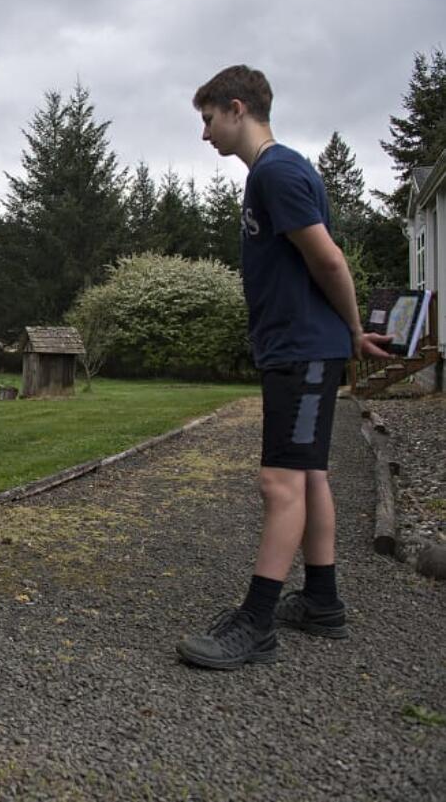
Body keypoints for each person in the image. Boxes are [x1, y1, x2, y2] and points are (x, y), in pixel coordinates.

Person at [176, 65, 393, 669]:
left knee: (280, 482)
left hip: (303, 348)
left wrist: (352, 331)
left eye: (209, 119)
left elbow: (328, 259)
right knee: (309, 475)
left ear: (237, 108)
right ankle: (322, 602)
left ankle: (257, 621)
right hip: (298, 347)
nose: (205, 134)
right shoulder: (272, 174)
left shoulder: (277, 171)